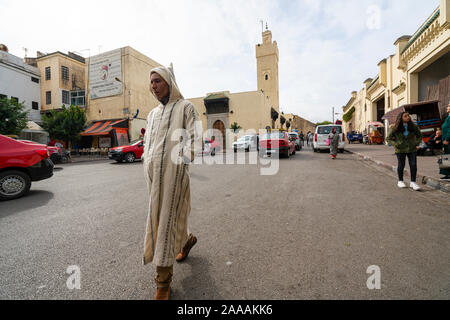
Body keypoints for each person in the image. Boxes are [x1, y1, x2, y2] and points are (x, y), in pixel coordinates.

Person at [142, 65, 203, 300]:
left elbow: (196, 136)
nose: (154, 86)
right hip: (154, 181)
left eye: (158, 81)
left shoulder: (186, 107)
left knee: (164, 224)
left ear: (169, 82)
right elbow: (149, 145)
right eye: (152, 82)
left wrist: (182, 161)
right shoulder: (152, 114)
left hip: (174, 179)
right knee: (167, 219)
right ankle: (187, 240)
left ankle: (163, 282)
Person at [386, 112, 423, 191]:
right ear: (400, 118)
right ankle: (400, 181)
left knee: (413, 165)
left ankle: (413, 182)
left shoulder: (413, 126)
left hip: (411, 148)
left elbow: (420, 136)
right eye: (405, 116)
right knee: (401, 165)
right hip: (400, 149)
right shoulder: (394, 128)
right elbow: (388, 138)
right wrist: (396, 144)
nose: (408, 117)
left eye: (408, 116)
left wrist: (416, 143)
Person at [440, 103, 450, 180]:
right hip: (445, 141)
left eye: (449, 106)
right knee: (445, 157)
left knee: (448, 156)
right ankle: (446, 174)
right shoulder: (448, 117)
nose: (447, 107)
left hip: (448, 141)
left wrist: (447, 139)